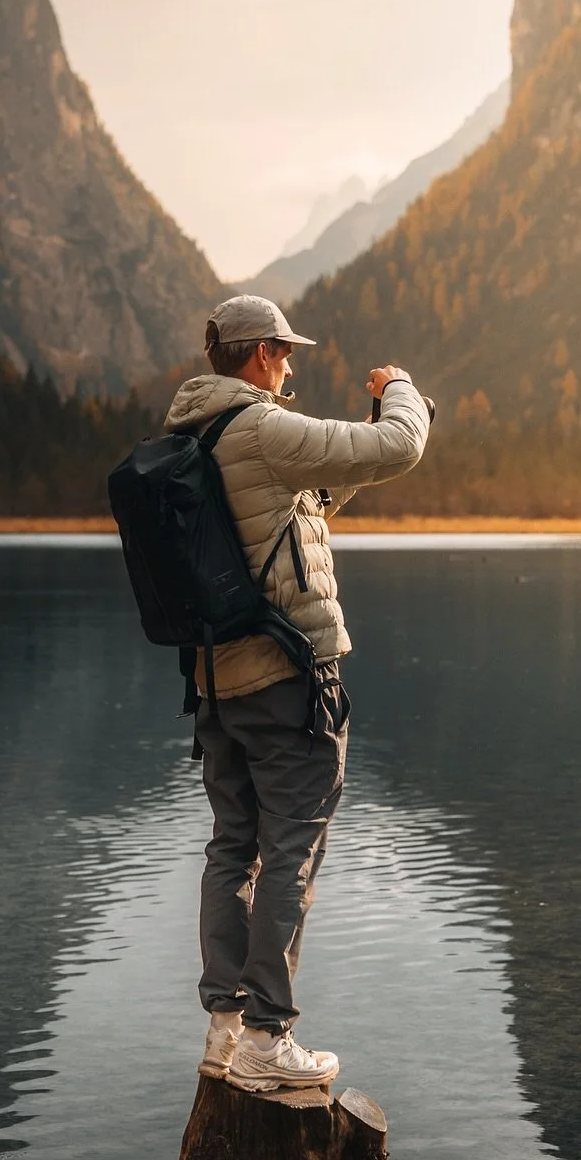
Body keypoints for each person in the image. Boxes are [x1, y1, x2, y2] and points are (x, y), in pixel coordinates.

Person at [164, 293, 430, 1091]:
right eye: (282, 350)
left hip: (217, 684)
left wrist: (338, 470)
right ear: (253, 354)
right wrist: (401, 388)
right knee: (292, 851)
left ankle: (224, 1028)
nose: (290, 363)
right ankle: (269, 1035)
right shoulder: (264, 429)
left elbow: (286, 514)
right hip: (288, 684)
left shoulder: (192, 433)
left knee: (231, 848)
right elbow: (399, 446)